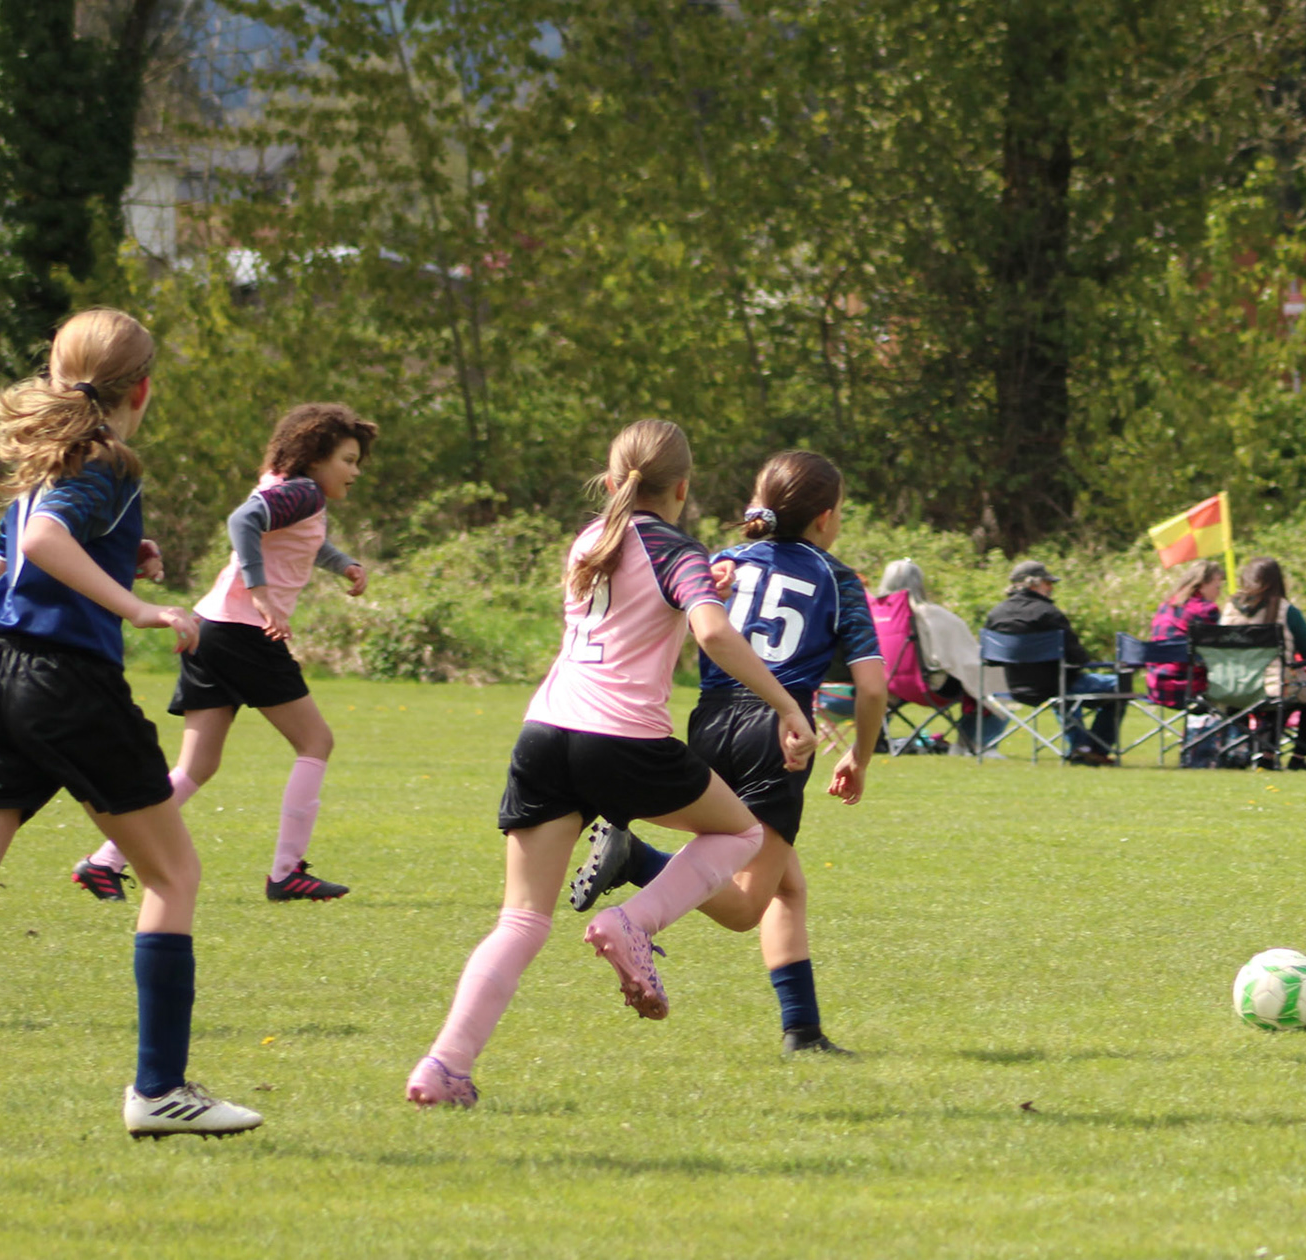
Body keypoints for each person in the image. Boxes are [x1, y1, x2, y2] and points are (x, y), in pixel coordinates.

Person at [0, 308, 262, 1138]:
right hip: (68, 686)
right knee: (173, 877)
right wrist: (136, 604)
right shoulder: (108, 458)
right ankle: (159, 1090)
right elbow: (48, 541)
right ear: (143, 389)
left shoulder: (42, 460)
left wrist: (118, 555)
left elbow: (6, 561)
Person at [404, 419, 818, 1109]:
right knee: (742, 832)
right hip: (621, 737)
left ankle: (443, 1065)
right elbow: (712, 632)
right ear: (682, 488)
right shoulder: (677, 549)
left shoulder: (589, 541)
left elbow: (634, 603)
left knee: (521, 921)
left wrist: (701, 582)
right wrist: (786, 706)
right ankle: (635, 922)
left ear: (610, 479)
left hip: (545, 732)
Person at [569, 451, 887, 1055]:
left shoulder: (722, 562)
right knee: (744, 906)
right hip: (777, 732)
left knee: (787, 885)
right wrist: (860, 758)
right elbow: (871, 687)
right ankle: (634, 859)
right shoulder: (837, 577)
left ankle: (803, 1032)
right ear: (825, 517)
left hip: (711, 722)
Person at [69, 403, 376, 903]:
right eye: (348, 459)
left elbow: (301, 540)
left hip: (210, 628)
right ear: (315, 457)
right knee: (315, 742)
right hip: (244, 633)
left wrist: (343, 564)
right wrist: (260, 592)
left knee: (196, 767)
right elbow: (243, 521)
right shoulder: (302, 491)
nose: (355, 471)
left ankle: (104, 862)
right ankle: (287, 873)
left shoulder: (292, 490)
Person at [984, 560, 1120, 764]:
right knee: (1119, 685)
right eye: (1048, 583)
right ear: (1033, 584)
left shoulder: (996, 614)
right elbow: (1078, 658)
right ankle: (1095, 749)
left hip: (1012, 688)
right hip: (1055, 686)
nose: (1051, 588)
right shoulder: (1048, 613)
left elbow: (989, 659)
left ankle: (1081, 747)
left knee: (1063, 689)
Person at [878, 558, 998, 755]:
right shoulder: (930, 614)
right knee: (994, 682)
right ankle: (973, 744)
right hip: (930, 686)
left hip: (889, 686)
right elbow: (966, 654)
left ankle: (875, 738)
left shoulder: (875, 614)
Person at [1219, 557, 1306, 770]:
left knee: (1284, 693)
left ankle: (1258, 751)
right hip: (1271, 686)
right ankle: (1298, 757)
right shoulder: (1286, 610)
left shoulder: (1230, 608)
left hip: (1229, 686)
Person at [1148, 560, 1223, 706]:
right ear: (1202, 585)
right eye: (1217, 587)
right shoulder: (1206, 610)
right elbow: (1218, 651)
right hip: (1190, 688)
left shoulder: (1165, 606)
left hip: (1157, 687)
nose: (1219, 593)